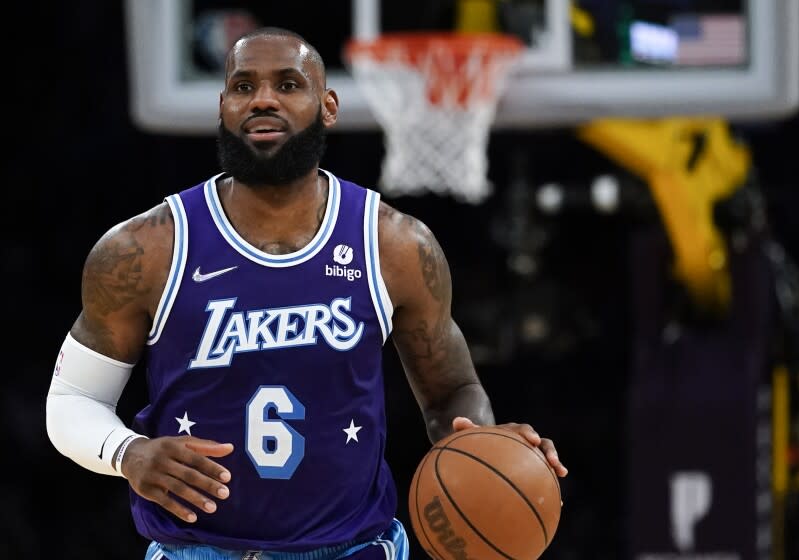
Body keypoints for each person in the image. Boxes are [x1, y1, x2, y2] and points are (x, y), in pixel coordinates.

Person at [46, 27, 568, 560]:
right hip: (197, 550)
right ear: (222, 105)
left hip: (354, 549)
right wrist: (127, 452)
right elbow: (72, 401)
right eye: (243, 86)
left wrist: (488, 446)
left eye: (289, 84)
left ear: (329, 106)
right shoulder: (144, 249)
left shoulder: (394, 244)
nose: (264, 99)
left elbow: (452, 392)